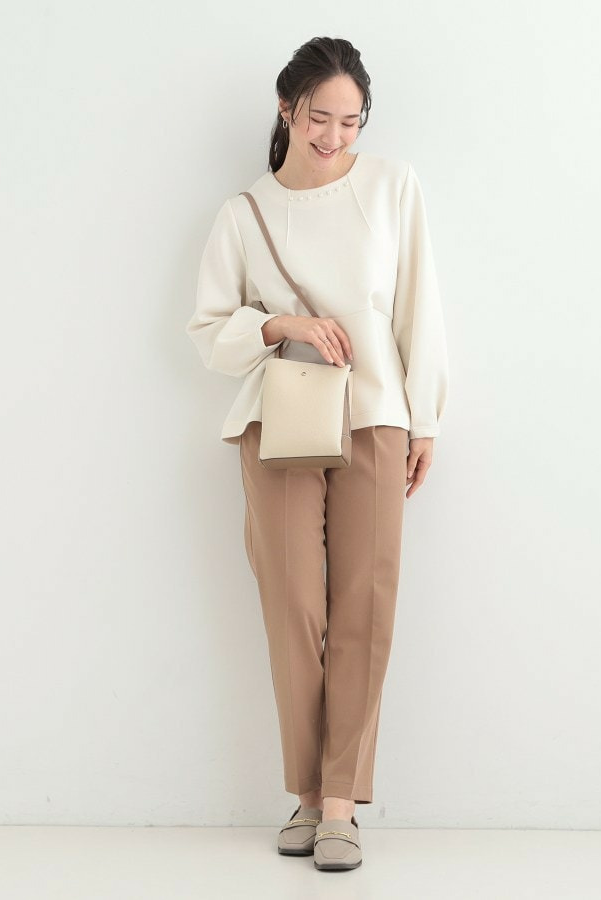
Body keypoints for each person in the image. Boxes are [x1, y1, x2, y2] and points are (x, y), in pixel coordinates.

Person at [185, 36, 449, 871]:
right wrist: (282, 323)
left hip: (374, 416)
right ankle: (304, 791)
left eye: (351, 120)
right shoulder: (244, 213)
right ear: (285, 107)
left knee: (366, 603)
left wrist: (425, 418)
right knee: (293, 605)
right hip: (281, 423)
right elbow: (207, 332)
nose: (335, 135)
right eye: (319, 118)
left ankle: (339, 803)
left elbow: (419, 308)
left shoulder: (392, 185)